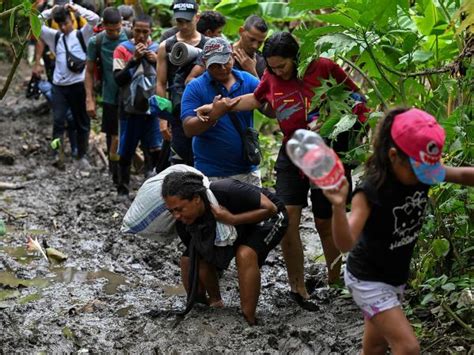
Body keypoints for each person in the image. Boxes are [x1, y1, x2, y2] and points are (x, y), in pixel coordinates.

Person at [195, 32, 369, 309]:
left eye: (282, 67)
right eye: (272, 67)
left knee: (325, 221)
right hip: (292, 152)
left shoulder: (322, 68)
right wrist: (221, 107)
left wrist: (345, 130)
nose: (277, 72)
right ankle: (298, 288)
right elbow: (256, 98)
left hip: (326, 152)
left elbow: (358, 99)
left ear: (295, 59)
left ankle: (335, 281)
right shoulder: (272, 77)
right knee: (288, 218)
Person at [322, 108, 474, 354]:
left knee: (376, 344)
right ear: (394, 156)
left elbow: (463, 175)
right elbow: (345, 244)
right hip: (367, 280)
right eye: (420, 170)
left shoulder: (422, 170)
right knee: (408, 347)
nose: (426, 177)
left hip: (394, 276)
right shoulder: (371, 190)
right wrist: (338, 207)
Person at [162, 171, 289, 325]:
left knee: (245, 254)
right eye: (171, 211)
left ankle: (249, 318)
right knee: (189, 259)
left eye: (179, 209)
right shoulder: (184, 222)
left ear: (196, 199)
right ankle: (213, 303)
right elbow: (202, 258)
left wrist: (232, 219)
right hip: (235, 226)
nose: (176, 216)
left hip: (268, 217)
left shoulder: (226, 189)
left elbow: (271, 208)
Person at [181, 38, 261, 186]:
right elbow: (188, 128)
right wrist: (214, 115)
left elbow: (269, 108)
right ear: (205, 63)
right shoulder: (195, 87)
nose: (223, 68)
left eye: (226, 61)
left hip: (248, 170)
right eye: (216, 65)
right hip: (211, 173)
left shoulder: (248, 80)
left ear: (232, 55)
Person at [39, 3, 99, 170]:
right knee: (58, 120)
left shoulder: (82, 35)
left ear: (71, 20)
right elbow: (34, 22)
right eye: (61, 25)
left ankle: (81, 155)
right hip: (59, 86)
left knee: (82, 122)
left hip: (78, 85)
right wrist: (52, 11)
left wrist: (75, 8)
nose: (64, 27)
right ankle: (56, 154)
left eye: (66, 23)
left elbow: (95, 20)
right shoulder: (55, 37)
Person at [113, 14, 162, 196]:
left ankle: (151, 190)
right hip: (129, 110)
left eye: (145, 31)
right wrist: (133, 60)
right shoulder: (122, 49)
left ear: (151, 31)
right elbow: (118, 79)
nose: (141, 35)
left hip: (153, 110)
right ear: (131, 29)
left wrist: (155, 61)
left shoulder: (158, 49)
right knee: (126, 149)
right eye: (138, 31)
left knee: (155, 148)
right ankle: (122, 189)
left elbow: (166, 77)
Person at [156, 0, 207, 166]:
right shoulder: (167, 46)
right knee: (178, 162)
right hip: (178, 111)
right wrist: (163, 119)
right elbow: (161, 83)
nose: (183, 26)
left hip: (204, 111)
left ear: (197, 18)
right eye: (179, 22)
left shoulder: (208, 45)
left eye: (188, 21)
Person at [85, 7, 129, 186]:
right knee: (112, 135)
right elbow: (88, 71)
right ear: (103, 26)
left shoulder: (131, 35)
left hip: (131, 96)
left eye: (117, 29)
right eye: (110, 30)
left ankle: (128, 168)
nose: (114, 33)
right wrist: (89, 98)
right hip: (110, 95)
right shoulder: (96, 41)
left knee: (130, 132)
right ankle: (115, 174)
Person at [186, 15, 268, 82]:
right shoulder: (216, 48)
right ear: (241, 31)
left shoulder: (264, 62)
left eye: (260, 42)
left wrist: (252, 72)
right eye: (252, 39)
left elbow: (266, 96)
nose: (255, 46)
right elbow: (190, 80)